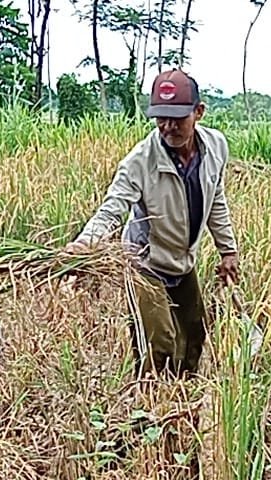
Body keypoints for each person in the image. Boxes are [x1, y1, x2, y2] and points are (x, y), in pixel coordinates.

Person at [65, 69, 240, 378]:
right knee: (159, 344)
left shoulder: (216, 147)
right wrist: (84, 245)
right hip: (144, 262)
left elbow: (216, 198)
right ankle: (150, 400)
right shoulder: (139, 162)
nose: (168, 127)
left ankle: (181, 397)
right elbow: (112, 211)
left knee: (195, 336)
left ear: (199, 112)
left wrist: (228, 250)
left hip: (182, 260)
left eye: (177, 118)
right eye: (161, 118)